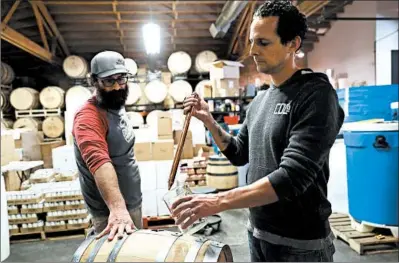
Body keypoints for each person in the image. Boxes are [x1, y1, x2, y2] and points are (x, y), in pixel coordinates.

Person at [171, 1, 345, 262]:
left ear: (293, 45)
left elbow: (292, 177)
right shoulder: (260, 101)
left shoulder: (316, 95)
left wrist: (217, 202)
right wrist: (208, 119)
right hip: (258, 235)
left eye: (263, 43)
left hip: (300, 246)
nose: (252, 51)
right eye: (252, 42)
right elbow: (239, 154)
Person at [72, 50, 142, 241]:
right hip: (110, 214)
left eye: (122, 78)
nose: (118, 86)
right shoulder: (88, 117)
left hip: (131, 203)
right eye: (109, 81)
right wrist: (118, 209)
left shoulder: (115, 103)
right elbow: (99, 162)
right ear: (94, 81)